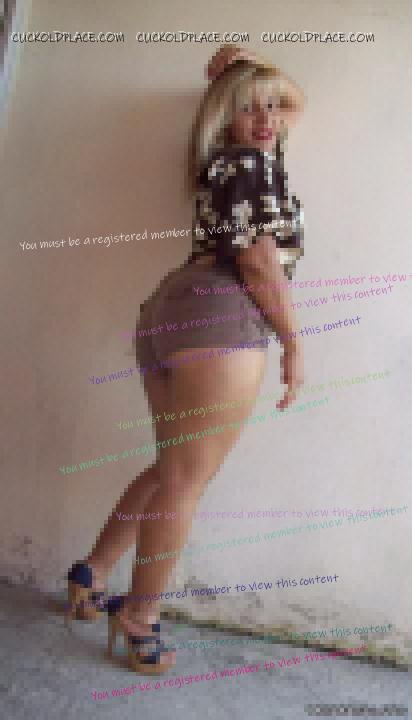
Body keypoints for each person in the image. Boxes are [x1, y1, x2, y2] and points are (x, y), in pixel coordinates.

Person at [66, 44, 306, 675]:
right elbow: (258, 262)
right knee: (184, 482)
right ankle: (139, 617)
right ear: (225, 114)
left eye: (274, 107)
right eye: (251, 108)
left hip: (169, 308)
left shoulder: (222, 161)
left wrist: (240, 70)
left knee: (172, 468)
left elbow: (280, 103)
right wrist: (293, 342)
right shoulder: (251, 164)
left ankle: (91, 571)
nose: (267, 119)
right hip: (222, 311)